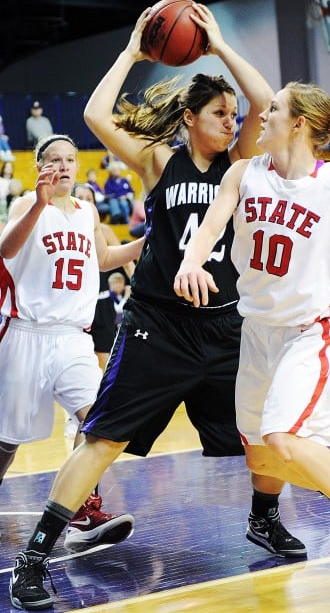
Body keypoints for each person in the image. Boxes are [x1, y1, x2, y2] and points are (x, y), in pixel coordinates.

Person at [9, 5, 304, 611]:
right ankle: (33, 557)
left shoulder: (240, 161)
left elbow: (263, 96)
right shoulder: (156, 160)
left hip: (225, 323)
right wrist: (132, 54)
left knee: (263, 434)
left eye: (232, 115)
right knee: (103, 438)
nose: (231, 122)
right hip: (157, 324)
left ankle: (264, 519)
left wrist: (219, 44)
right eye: (218, 115)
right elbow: (94, 115)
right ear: (190, 119)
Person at [174, 81, 330, 596]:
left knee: (283, 435)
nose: (262, 115)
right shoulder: (244, 172)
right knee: (262, 458)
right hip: (257, 331)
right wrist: (191, 260)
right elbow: (211, 227)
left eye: (273, 109)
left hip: (311, 329)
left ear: (298, 124)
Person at [1, 134, 148, 609]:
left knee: (100, 423)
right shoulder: (27, 201)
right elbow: (5, 250)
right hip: (26, 333)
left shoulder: (88, 212)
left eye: (70, 159)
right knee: (6, 441)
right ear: (40, 167)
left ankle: (83, 514)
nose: (64, 166)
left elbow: (103, 260)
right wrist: (37, 207)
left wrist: (147, 242)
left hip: (73, 338)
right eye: (54, 160)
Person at [72, 182, 135, 371]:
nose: (84, 202)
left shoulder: (104, 231)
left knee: (105, 356)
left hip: (100, 302)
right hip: (74, 303)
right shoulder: (63, 228)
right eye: (80, 198)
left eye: (89, 199)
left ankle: (106, 395)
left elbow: (126, 261)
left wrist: (139, 287)